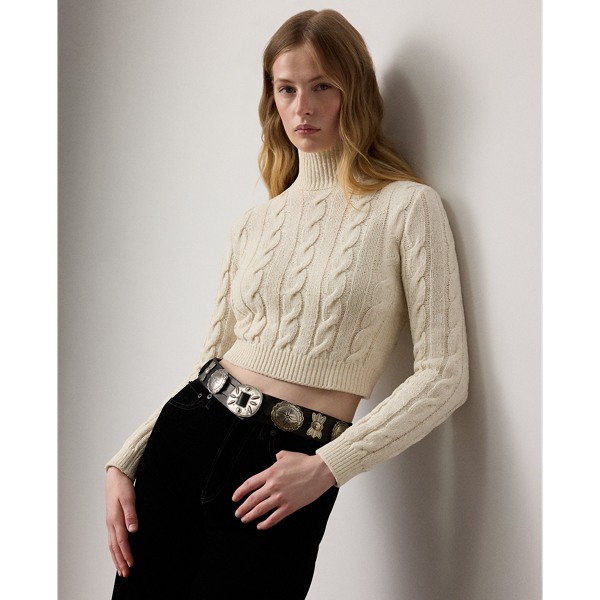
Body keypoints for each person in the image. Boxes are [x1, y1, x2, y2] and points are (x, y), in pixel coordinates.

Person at [105, 8, 468, 600]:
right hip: (185, 437)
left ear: (355, 91)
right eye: (287, 89)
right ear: (271, 98)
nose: (304, 108)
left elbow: (444, 377)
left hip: (287, 467)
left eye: (323, 86)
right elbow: (211, 362)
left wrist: (328, 467)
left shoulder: (407, 207)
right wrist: (127, 458)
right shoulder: (254, 223)